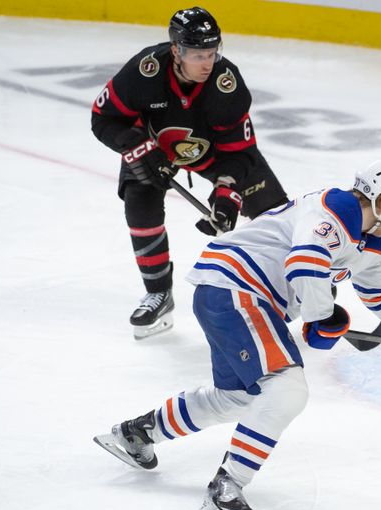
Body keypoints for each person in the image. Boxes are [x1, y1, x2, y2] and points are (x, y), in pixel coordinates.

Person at [94, 160, 381, 510]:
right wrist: (320, 316)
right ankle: (225, 489)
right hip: (237, 290)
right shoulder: (334, 212)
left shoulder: (365, 241)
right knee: (286, 390)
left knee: (241, 397)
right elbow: (305, 263)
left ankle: (137, 433)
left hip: (228, 293)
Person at [91, 6, 289, 339]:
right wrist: (136, 145)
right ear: (176, 51)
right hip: (155, 151)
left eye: (212, 53)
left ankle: (304, 286)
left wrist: (228, 192)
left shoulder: (227, 84)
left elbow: (239, 153)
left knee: (278, 217)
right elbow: (103, 118)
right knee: (140, 203)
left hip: (214, 155)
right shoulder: (145, 71)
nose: (207, 63)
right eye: (198, 54)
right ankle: (158, 293)